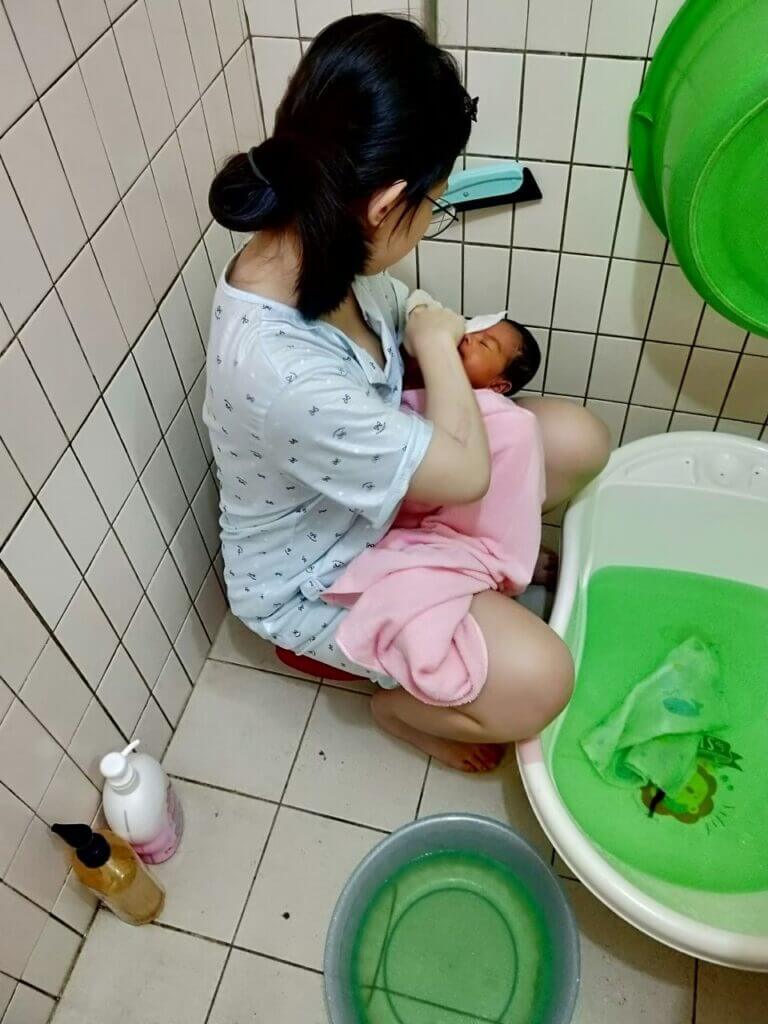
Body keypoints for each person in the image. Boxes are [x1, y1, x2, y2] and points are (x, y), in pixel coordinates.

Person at [205, 13, 610, 772]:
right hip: (317, 573)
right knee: (542, 681)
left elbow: (409, 307)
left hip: (375, 496)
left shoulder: (317, 238)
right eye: (436, 206)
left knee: (575, 440)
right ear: (388, 204)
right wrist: (434, 341)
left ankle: (471, 572)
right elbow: (466, 467)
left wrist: (429, 331)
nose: (429, 223)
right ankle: (398, 709)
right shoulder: (279, 369)